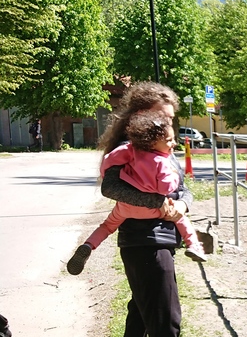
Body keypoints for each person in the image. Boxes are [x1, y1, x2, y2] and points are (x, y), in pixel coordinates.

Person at [90, 81, 213, 337]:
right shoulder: (128, 151)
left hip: (160, 238)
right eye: (163, 117)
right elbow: (112, 189)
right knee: (166, 318)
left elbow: (184, 190)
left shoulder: (165, 149)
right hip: (142, 242)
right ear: (141, 117)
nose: (169, 125)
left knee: (141, 314)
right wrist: (158, 203)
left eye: (171, 118)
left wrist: (181, 207)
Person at [67, 109, 207, 276]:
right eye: (169, 140)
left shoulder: (130, 151)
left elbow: (109, 160)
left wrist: (105, 173)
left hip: (126, 207)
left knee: (107, 226)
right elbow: (165, 188)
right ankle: (194, 246)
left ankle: (89, 245)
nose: (173, 143)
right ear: (153, 142)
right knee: (181, 219)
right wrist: (174, 177)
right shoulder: (161, 161)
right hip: (155, 210)